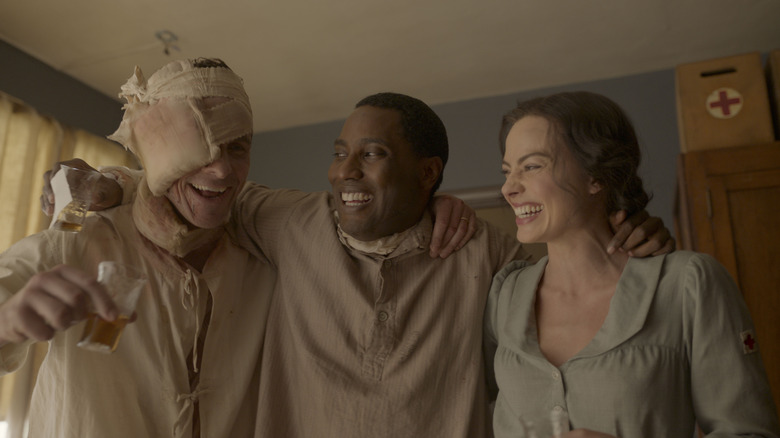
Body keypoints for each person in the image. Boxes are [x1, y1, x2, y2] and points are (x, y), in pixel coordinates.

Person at [44, 92, 674, 437]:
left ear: (428, 175)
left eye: (370, 155)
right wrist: (106, 180)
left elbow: (578, 278)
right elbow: (193, 187)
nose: (343, 172)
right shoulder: (290, 222)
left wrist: (634, 231)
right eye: (340, 151)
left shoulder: (486, 253)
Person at [0, 58, 277, 437]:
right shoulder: (77, 243)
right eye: (198, 148)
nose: (222, 171)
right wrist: (8, 322)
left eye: (237, 148)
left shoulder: (263, 259)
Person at [484, 91, 780, 437]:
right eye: (508, 170)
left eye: (532, 166)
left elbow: (751, 432)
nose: (509, 188)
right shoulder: (504, 295)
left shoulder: (687, 284)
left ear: (596, 175)